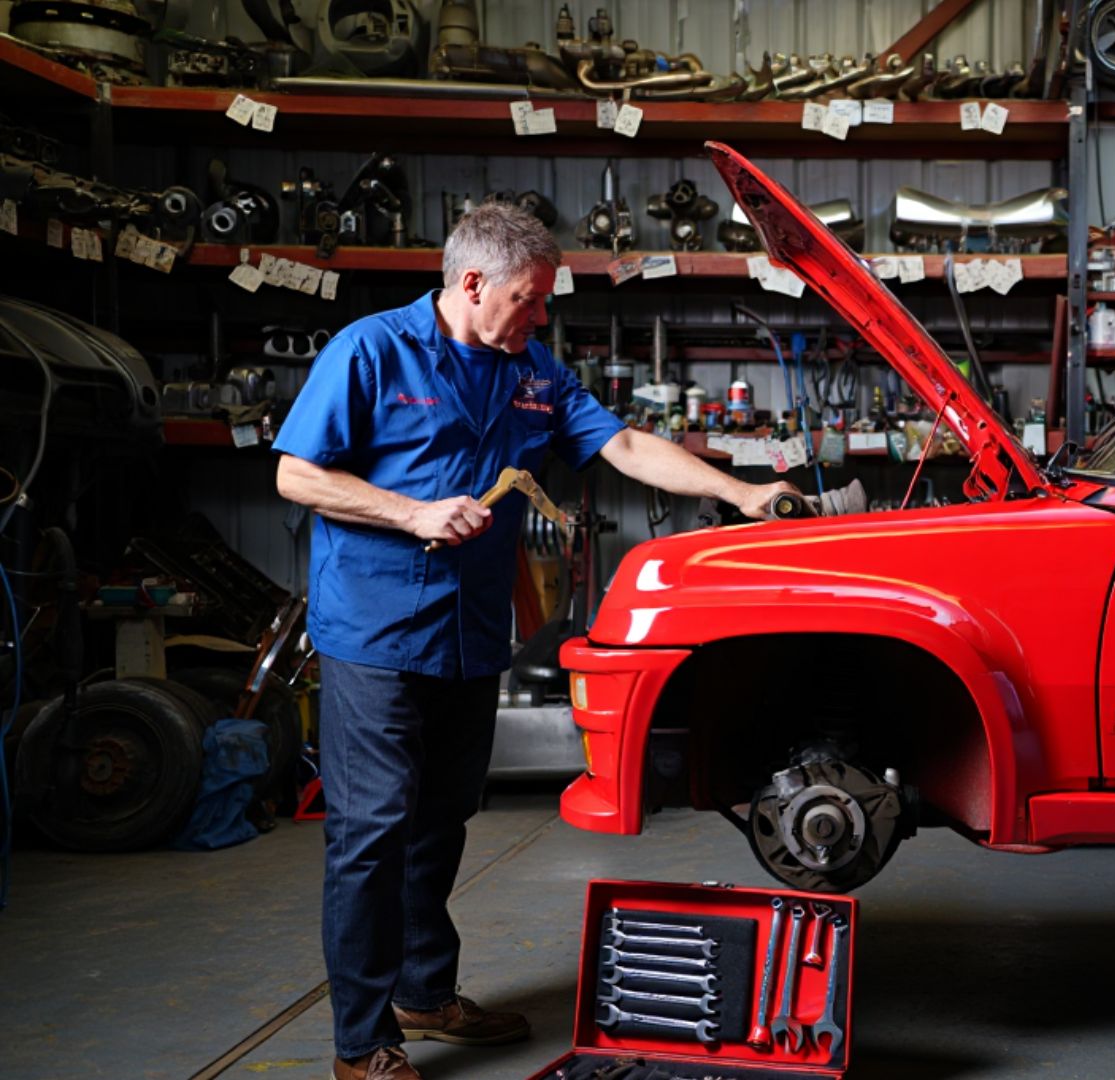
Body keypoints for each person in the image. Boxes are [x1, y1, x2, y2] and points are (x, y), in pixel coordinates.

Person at [272, 203, 797, 1080]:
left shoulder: (534, 372)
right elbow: (296, 474)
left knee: (442, 818)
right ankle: (362, 1043)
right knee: (371, 832)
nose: (541, 314)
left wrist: (741, 494)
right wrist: (411, 513)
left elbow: (624, 444)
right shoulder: (371, 350)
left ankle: (423, 992)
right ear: (473, 283)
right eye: (529, 297)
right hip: (374, 630)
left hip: (471, 633)